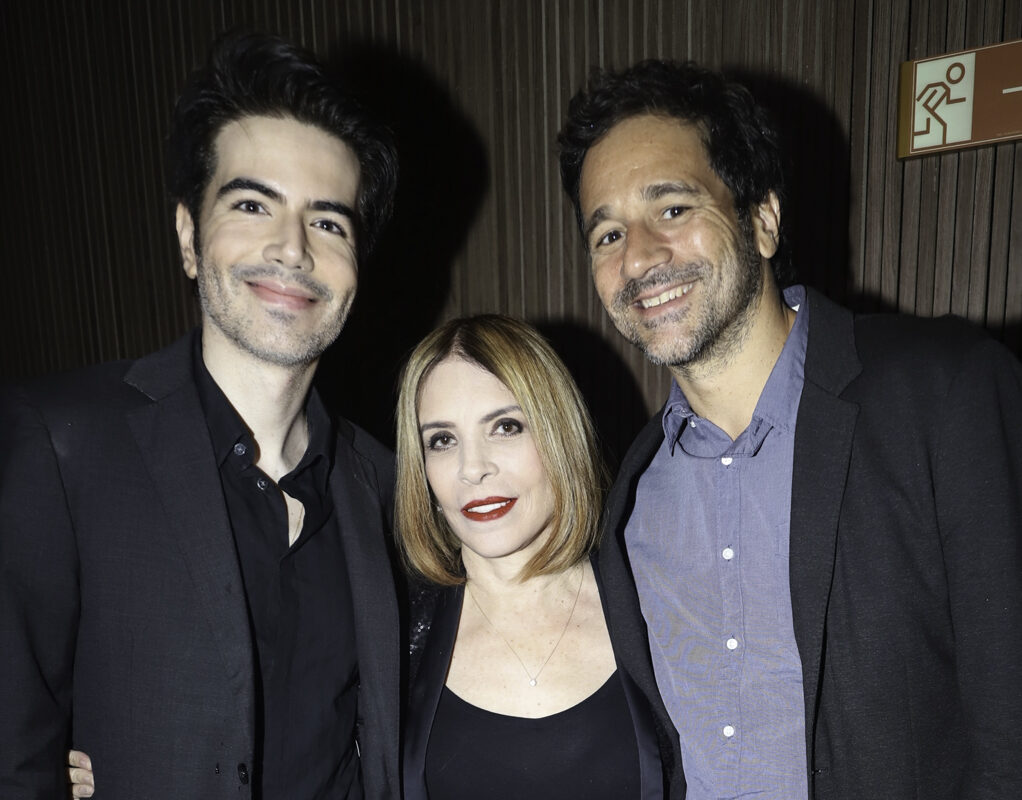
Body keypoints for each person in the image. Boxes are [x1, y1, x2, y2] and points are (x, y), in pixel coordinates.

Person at [558, 59, 1022, 799]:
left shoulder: (944, 393)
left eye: (671, 209)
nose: (638, 256)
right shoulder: (627, 503)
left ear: (762, 220)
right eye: (607, 234)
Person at [0, 32, 401, 798]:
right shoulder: (61, 442)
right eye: (252, 205)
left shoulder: (388, 486)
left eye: (328, 222)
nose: (292, 249)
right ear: (189, 236)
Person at [396, 315, 664, 799]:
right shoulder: (390, 634)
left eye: (505, 427)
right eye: (442, 440)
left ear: (559, 436)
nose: (473, 468)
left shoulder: (657, 605)